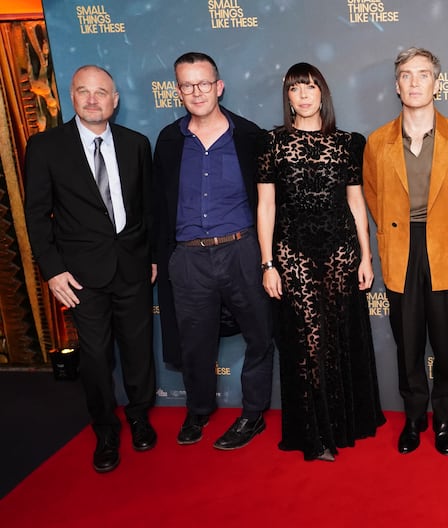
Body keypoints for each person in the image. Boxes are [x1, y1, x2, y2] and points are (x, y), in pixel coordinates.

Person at [24, 65, 157, 473]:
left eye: (102, 92)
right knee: (96, 357)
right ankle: (105, 429)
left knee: (138, 351)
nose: (94, 99)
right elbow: (35, 214)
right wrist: (52, 271)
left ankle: (138, 415)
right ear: (73, 97)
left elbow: (148, 206)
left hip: (133, 267)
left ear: (115, 100)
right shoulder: (46, 147)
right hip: (80, 276)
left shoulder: (137, 144)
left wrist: (151, 256)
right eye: (85, 91)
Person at [256, 62, 385, 462]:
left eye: (311, 87)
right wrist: (267, 264)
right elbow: (265, 206)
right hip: (293, 253)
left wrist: (366, 255)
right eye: (296, 89)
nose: (305, 95)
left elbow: (356, 202)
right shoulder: (272, 142)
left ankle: (345, 422)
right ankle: (317, 433)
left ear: (322, 93)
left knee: (339, 337)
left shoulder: (349, 142)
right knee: (309, 341)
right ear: (288, 96)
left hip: (340, 251)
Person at [153, 52, 275, 450]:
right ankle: (199, 410)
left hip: (242, 251)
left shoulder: (250, 136)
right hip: (188, 258)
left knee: (260, 336)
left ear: (219, 86)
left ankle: (253, 414)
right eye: (187, 85)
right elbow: (157, 203)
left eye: (204, 83)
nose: (197, 92)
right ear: (178, 91)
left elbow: (271, 202)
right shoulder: (169, 141)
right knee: (194, 342)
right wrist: (163, 256)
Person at [363, 47, 448, 456]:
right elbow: (373, 200)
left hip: (446, 249)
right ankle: (414, 417)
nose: (415, 83)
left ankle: (444, 418)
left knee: (447, 343)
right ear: (397, 86)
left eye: (423, 75)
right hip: (400, 250)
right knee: (408, 343)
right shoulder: (377, 142)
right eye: (407, 76)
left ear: (437, 82)